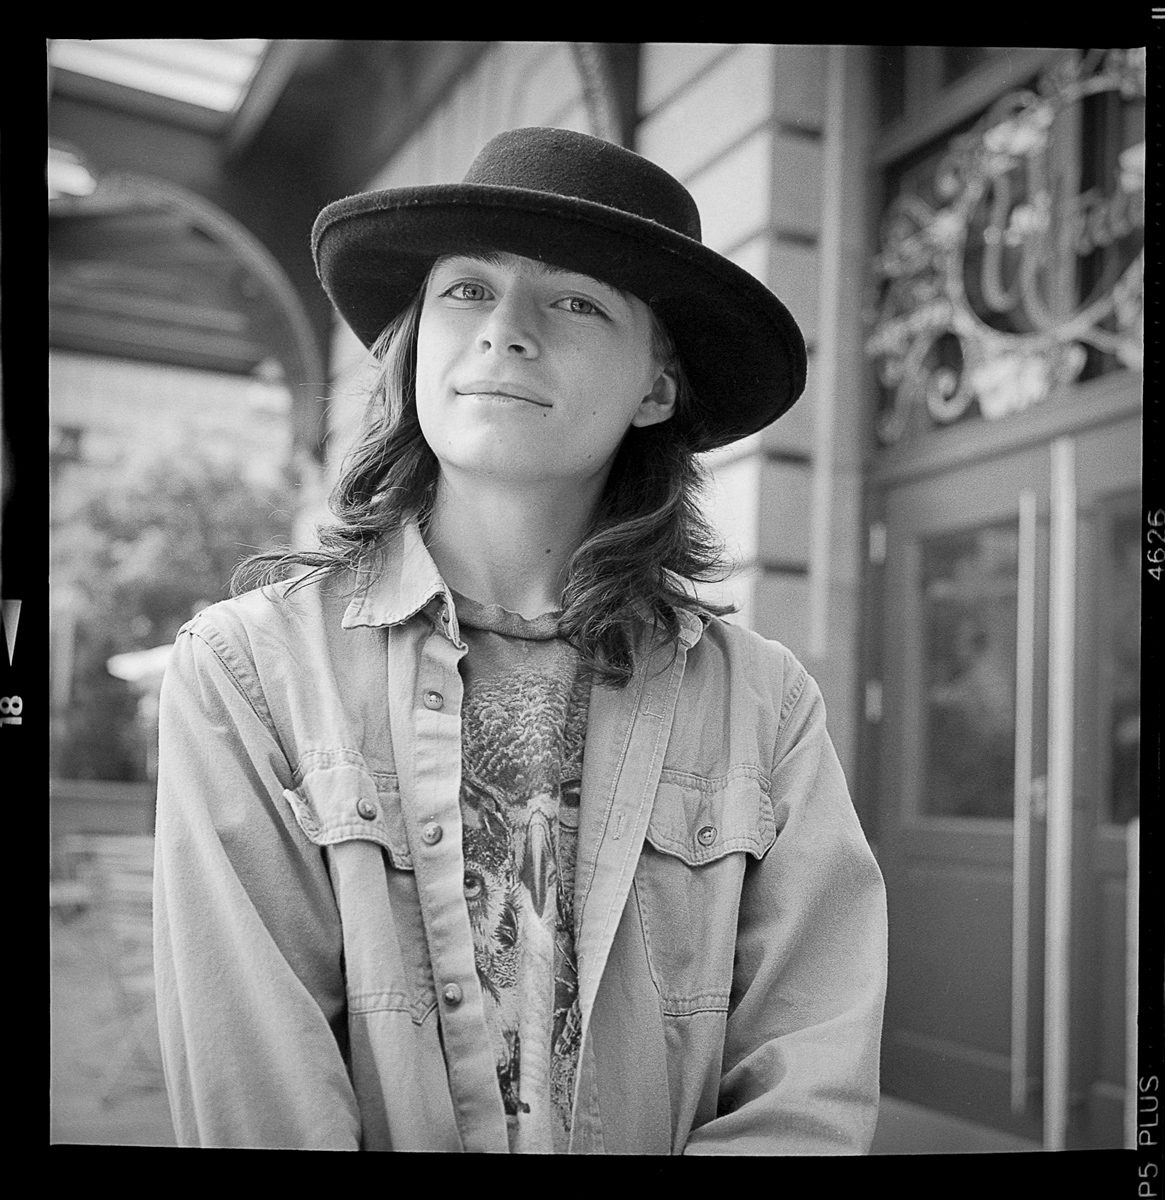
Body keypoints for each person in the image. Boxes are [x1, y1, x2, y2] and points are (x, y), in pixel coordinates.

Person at [152, 126, 888, 1154]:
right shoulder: (249, 671)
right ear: (415, 343)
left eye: (577, 301)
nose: (505, 330)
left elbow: (804, 1083)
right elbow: (258, 1092)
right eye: (466, 291)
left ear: (655, 387)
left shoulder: (764, 705)